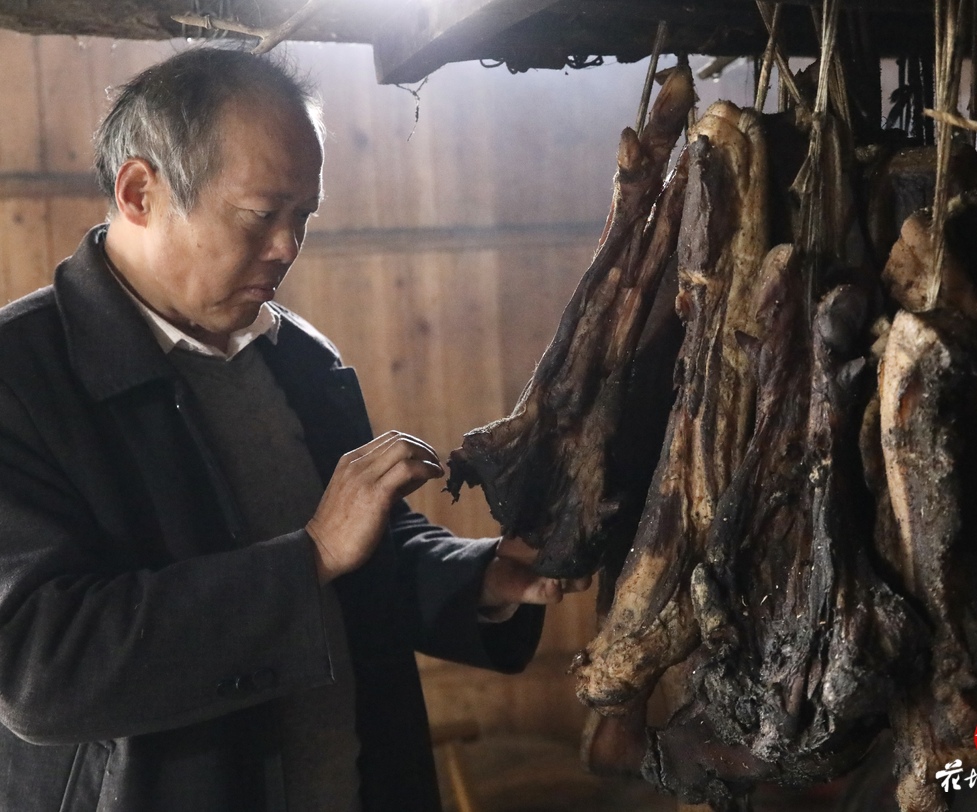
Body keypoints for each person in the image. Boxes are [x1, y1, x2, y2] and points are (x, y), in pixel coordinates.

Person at [0, 47, 584, 812]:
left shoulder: (298, 356)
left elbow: (363, 554)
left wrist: (480, 578)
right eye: (259, 215)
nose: (287, 247)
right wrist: (305, 560)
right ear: (140, 191)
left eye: (302, 216)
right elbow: (42, 665)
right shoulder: (21, 378)